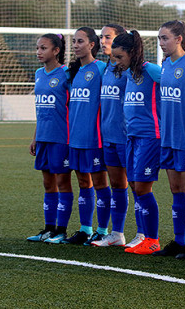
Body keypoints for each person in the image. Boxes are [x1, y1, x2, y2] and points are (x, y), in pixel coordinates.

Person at [152, 20, 185, 259]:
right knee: (175, 189)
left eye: (165, 38)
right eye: (160, 39)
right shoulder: (164, 65)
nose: (162, 43)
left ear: (179, 39)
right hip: (169, 137)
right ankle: (179, 240)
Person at [111, 30, 163, 255]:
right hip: (131, 137)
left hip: (150, 136)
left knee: (142, 187)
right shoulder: (129, 75)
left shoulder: (151, 71)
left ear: (132, 53)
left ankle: (152, 239)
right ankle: (143, 236)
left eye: (120, 57)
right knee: (134, 185)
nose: (117, 63)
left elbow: (181, 86)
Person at [62, 27, 110, 245]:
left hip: (95, 137)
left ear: (92, 45)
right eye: (73, 42)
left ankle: (103, 229)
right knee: (83, 182)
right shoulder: (72, 73)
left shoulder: (101, 69)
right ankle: (85, 229)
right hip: (76, 137)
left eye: (80, 41)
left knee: (100, 182)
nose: (75, 45)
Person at [90, 24, 135, 247]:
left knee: (138, 186)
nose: (103, 41)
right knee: (117, 185)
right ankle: (117, 234)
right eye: (101, 37)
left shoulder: (130, 69)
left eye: (108, 37)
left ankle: (145, 235)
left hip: (127, 136)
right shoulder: (105, 68)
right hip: (108, 136)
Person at [27, 33, 74, 243]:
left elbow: (74, 108)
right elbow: (40, 108)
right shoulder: (38, 73)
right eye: (38, 48)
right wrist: (35, 136)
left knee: (63, 182)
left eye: (43, 48)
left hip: (61, 137)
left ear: (56, 50)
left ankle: (61, 231)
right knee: (48, 184)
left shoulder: (66, 74)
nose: (39, 52)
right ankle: (48, 228)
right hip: (44, 136)